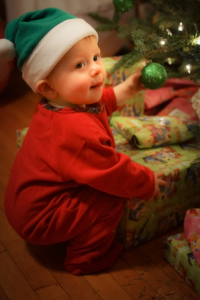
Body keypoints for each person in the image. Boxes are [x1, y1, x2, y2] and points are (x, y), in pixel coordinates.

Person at [0, 8, 166, 275]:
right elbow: (113, 172)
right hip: (40, 218)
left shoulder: (57, 105)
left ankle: (74, 229)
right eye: (80, 65)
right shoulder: (75, 133)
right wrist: (146, 182)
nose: (96, 69)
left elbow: (102, 104)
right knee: (111, 198)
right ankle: (85, 258)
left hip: (28, 202)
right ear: (48, 87)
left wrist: (130, 88)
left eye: (95, 57)